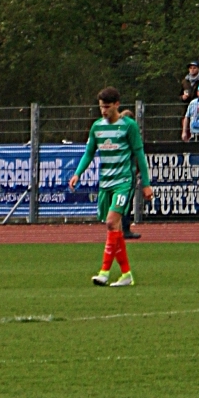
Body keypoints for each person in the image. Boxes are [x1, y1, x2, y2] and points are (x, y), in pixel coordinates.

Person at [73, 88, 152, 286]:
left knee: (111, 222)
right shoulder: (97, 127)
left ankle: (104, 272)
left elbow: (139, 154)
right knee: (114, 228)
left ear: (117, 104)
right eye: (101, 107)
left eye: (107, 107)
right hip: (105, 184)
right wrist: (77, 173)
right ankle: (126, 275)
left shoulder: (128, 126)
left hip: (123, 182)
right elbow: (89, 153)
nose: (103, 111)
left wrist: (146, 183)